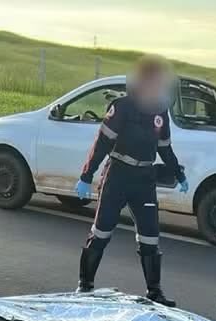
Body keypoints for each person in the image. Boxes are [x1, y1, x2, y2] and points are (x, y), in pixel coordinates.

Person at [74, 55, 188, 307]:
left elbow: (164, 148)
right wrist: (86, 175)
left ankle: (154, 292)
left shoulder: (160, 112)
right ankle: (85, 285)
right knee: (101, 232)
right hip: (118, 175)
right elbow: (102, 143)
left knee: (150, 236)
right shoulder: (122, 107)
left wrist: (178, 174)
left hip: (144, 180)